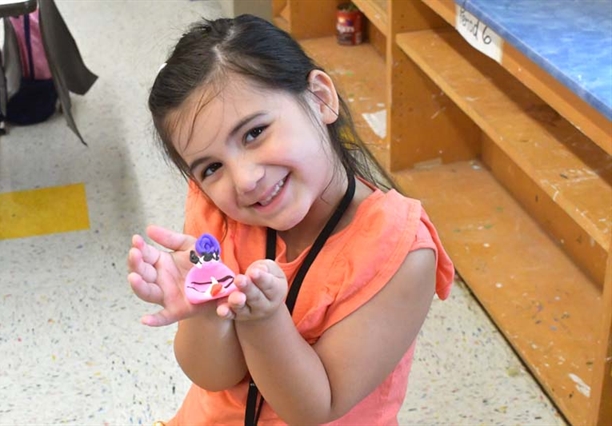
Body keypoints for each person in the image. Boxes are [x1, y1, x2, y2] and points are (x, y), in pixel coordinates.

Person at [127, 14, 455, 425]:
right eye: (211, 167)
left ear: (320, 98)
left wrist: (264, 319)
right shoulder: (217, 211)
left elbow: (315, 407)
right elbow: (214, 376)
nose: (245, 181)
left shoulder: (399, 251)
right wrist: (206, 310)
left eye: (254, 133)